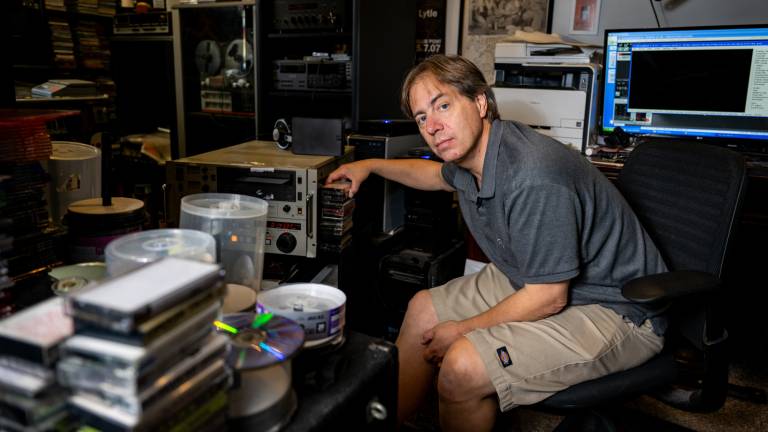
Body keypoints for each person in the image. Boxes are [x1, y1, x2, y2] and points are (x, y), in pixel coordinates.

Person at [325, 55, 667, 431]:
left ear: (480, 102)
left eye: (443, 105)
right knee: (424, 309)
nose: (433, 126)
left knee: (462, 367)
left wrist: (463, 329)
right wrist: (370, 166)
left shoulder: (534, 175)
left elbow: (549, 296)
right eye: (422, 118)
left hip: (617, 307)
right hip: (534, 277)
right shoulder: (479, 154)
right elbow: (436, 176)